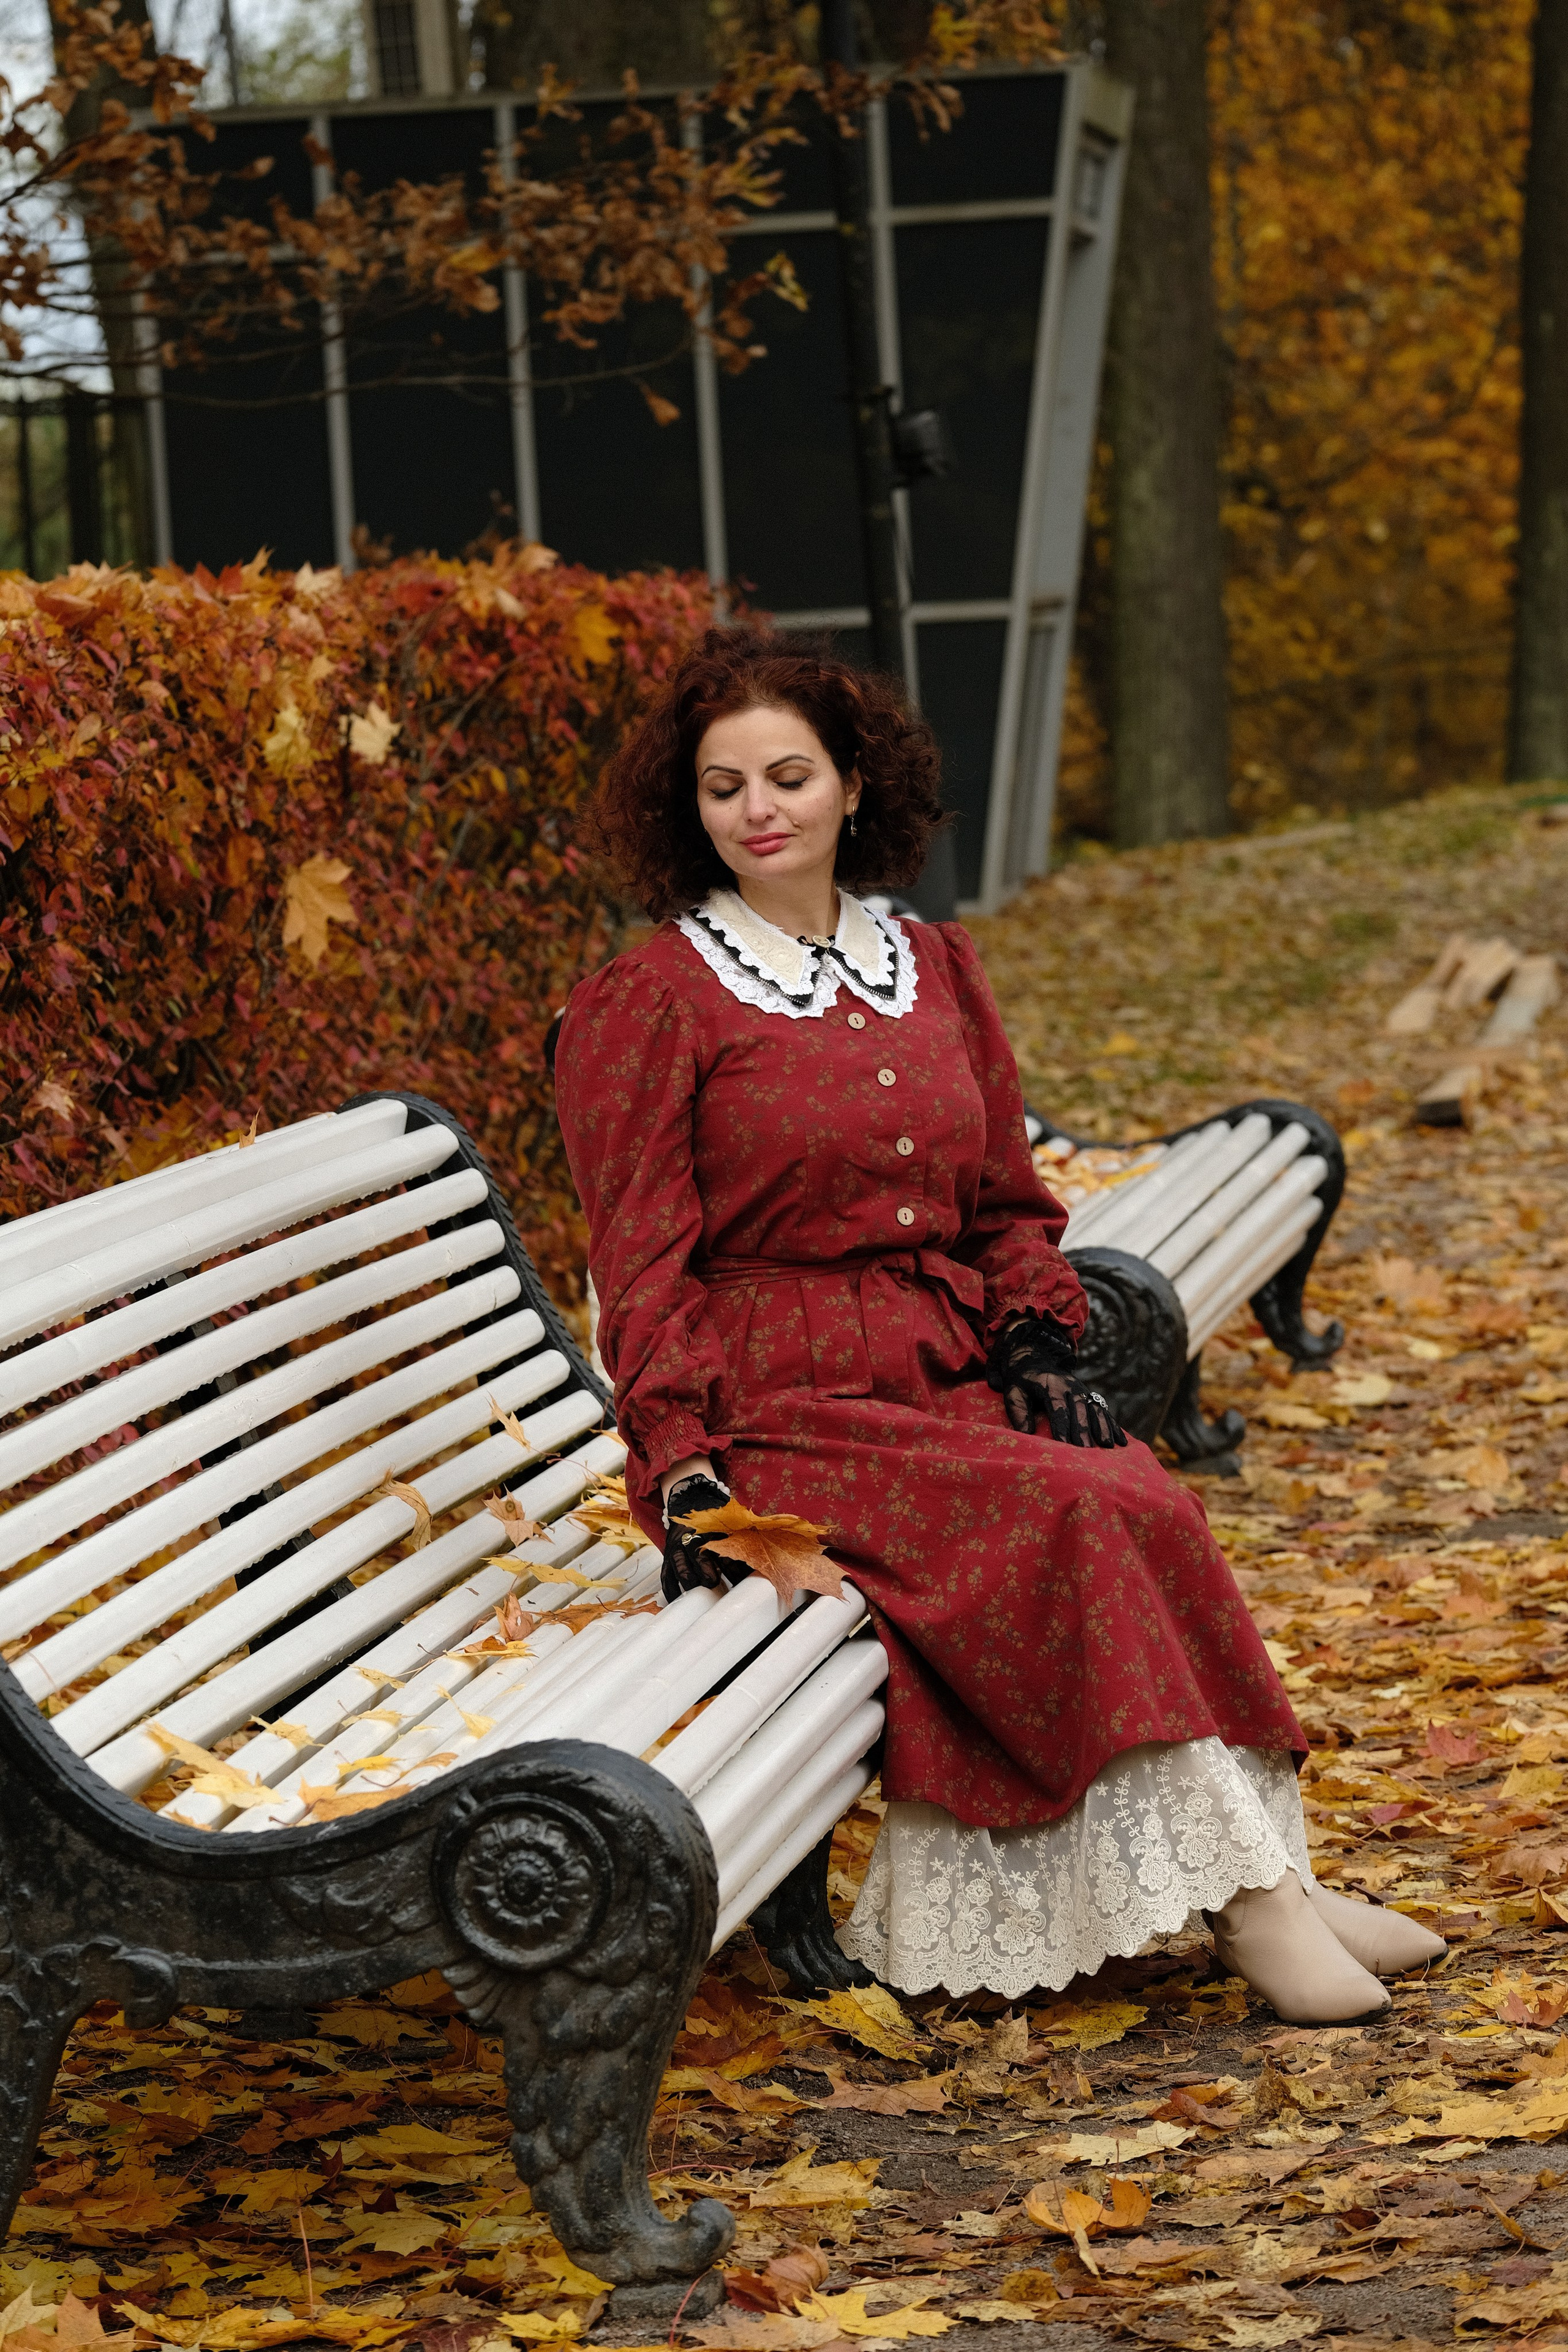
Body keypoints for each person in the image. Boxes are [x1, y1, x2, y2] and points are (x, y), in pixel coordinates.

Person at [552, 626, 1444, 2021]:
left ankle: (1262, 1866)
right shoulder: (651, 1002)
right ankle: (1252, 1904)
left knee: (1141, 1498)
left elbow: (1003, 1203)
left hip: (941, 1368)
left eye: (789, 775)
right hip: (784, 1410)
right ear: (692, 811)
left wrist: (1032, 1340)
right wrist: (686, 1470)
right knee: (1072, 1518)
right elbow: (642, 1263)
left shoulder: (930, 966)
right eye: (724, 789)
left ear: (853, 783)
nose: (759, 810)